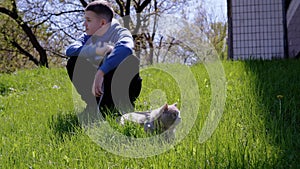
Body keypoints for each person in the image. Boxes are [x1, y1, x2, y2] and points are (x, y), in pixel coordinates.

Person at [65, 0, 142, 120]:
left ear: (102, 22)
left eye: (89, 20)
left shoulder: (120, 32)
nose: (84, 24)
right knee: (73, 61)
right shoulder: (87, 36)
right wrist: (96, 50)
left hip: (123, 89)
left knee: (130, 60)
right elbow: (70, 50)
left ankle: (120, 105)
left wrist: (102, 71)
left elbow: (126, 48)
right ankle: (93, 105)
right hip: (98, 89)